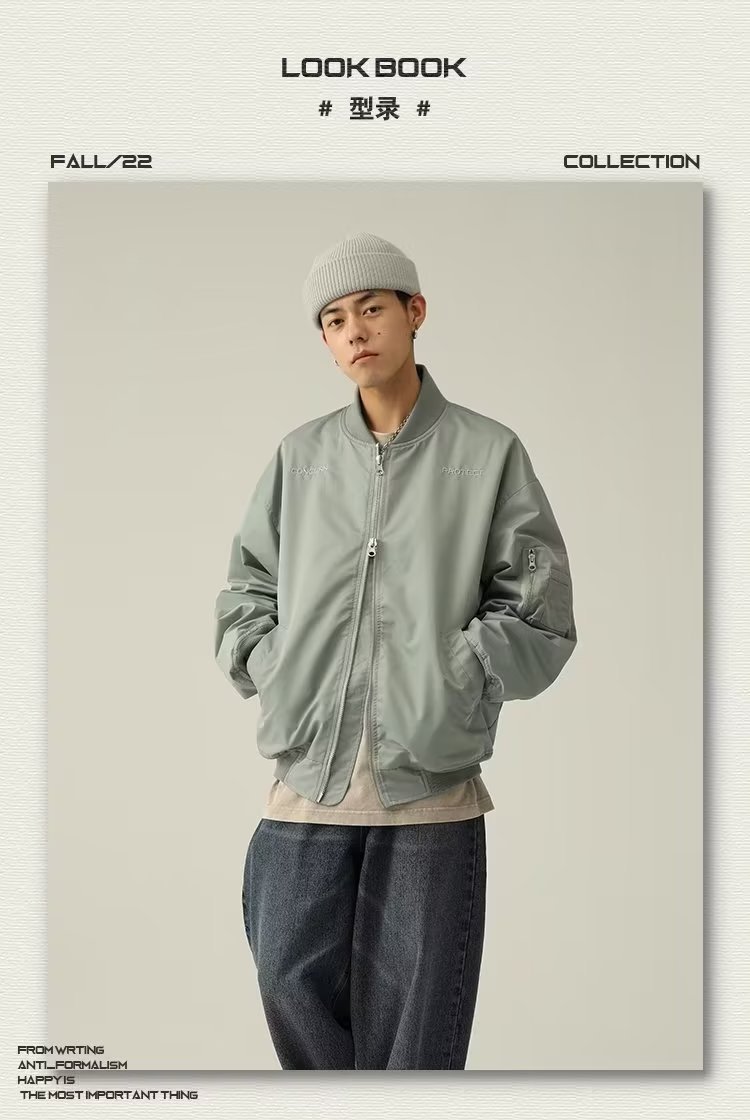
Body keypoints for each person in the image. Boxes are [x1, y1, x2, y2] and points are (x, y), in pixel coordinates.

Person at [213, 232, 578, 1069]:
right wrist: (277, 670)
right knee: (284, 979)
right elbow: (246, 592)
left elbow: (540, 608)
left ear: (415, 312)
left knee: (417, 1037)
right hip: (308, 780)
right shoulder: (301, 458)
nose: (355, 331)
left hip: (430, 790)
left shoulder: (487, 453)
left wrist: (459, 675)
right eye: (335, 319)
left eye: (372, 308)